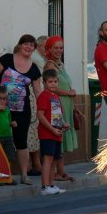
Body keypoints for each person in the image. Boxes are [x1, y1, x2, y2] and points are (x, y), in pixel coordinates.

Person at [0, 34, 42, 185]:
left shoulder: (34, 68)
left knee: (21, 141)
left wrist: (43, 109)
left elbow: (38, 91)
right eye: (26, 44)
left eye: (32, 45)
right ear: (19, 45)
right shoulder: (6, 59)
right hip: (1, 108)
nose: (28, 47)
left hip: (22, 110)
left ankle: (24, 175)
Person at [42, 36, 77, 181]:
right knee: (57, 137)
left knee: (61, 136)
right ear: (49, 49)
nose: (59, 50)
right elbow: (53, 87)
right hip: (56, 105)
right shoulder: (50, 65)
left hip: (65, 104)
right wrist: (68, 93)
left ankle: (61, 171)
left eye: (61, 48)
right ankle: (55, 172)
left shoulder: (59, 64)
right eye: (55, 48)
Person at [37, 70, 68, 196]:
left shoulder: (56, 97)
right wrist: (51, 129)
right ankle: (45, 186)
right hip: (47, 133)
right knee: (47, 159)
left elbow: (57, 115)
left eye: (55, 82)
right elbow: (40, 115)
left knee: (55, 159)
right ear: (44, 82)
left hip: (57, 133)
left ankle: (51, 184)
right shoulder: (44, 96)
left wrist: (64, 123)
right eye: (50, 82)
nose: (53, 84)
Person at [27, 35, 47, 177]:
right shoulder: (36, 59)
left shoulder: (42, 59)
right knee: (32, 129)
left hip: (37, 96)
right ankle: (32, 164)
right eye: (45, 46)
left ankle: (36, 163)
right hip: (32, 97)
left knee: (35, 130)